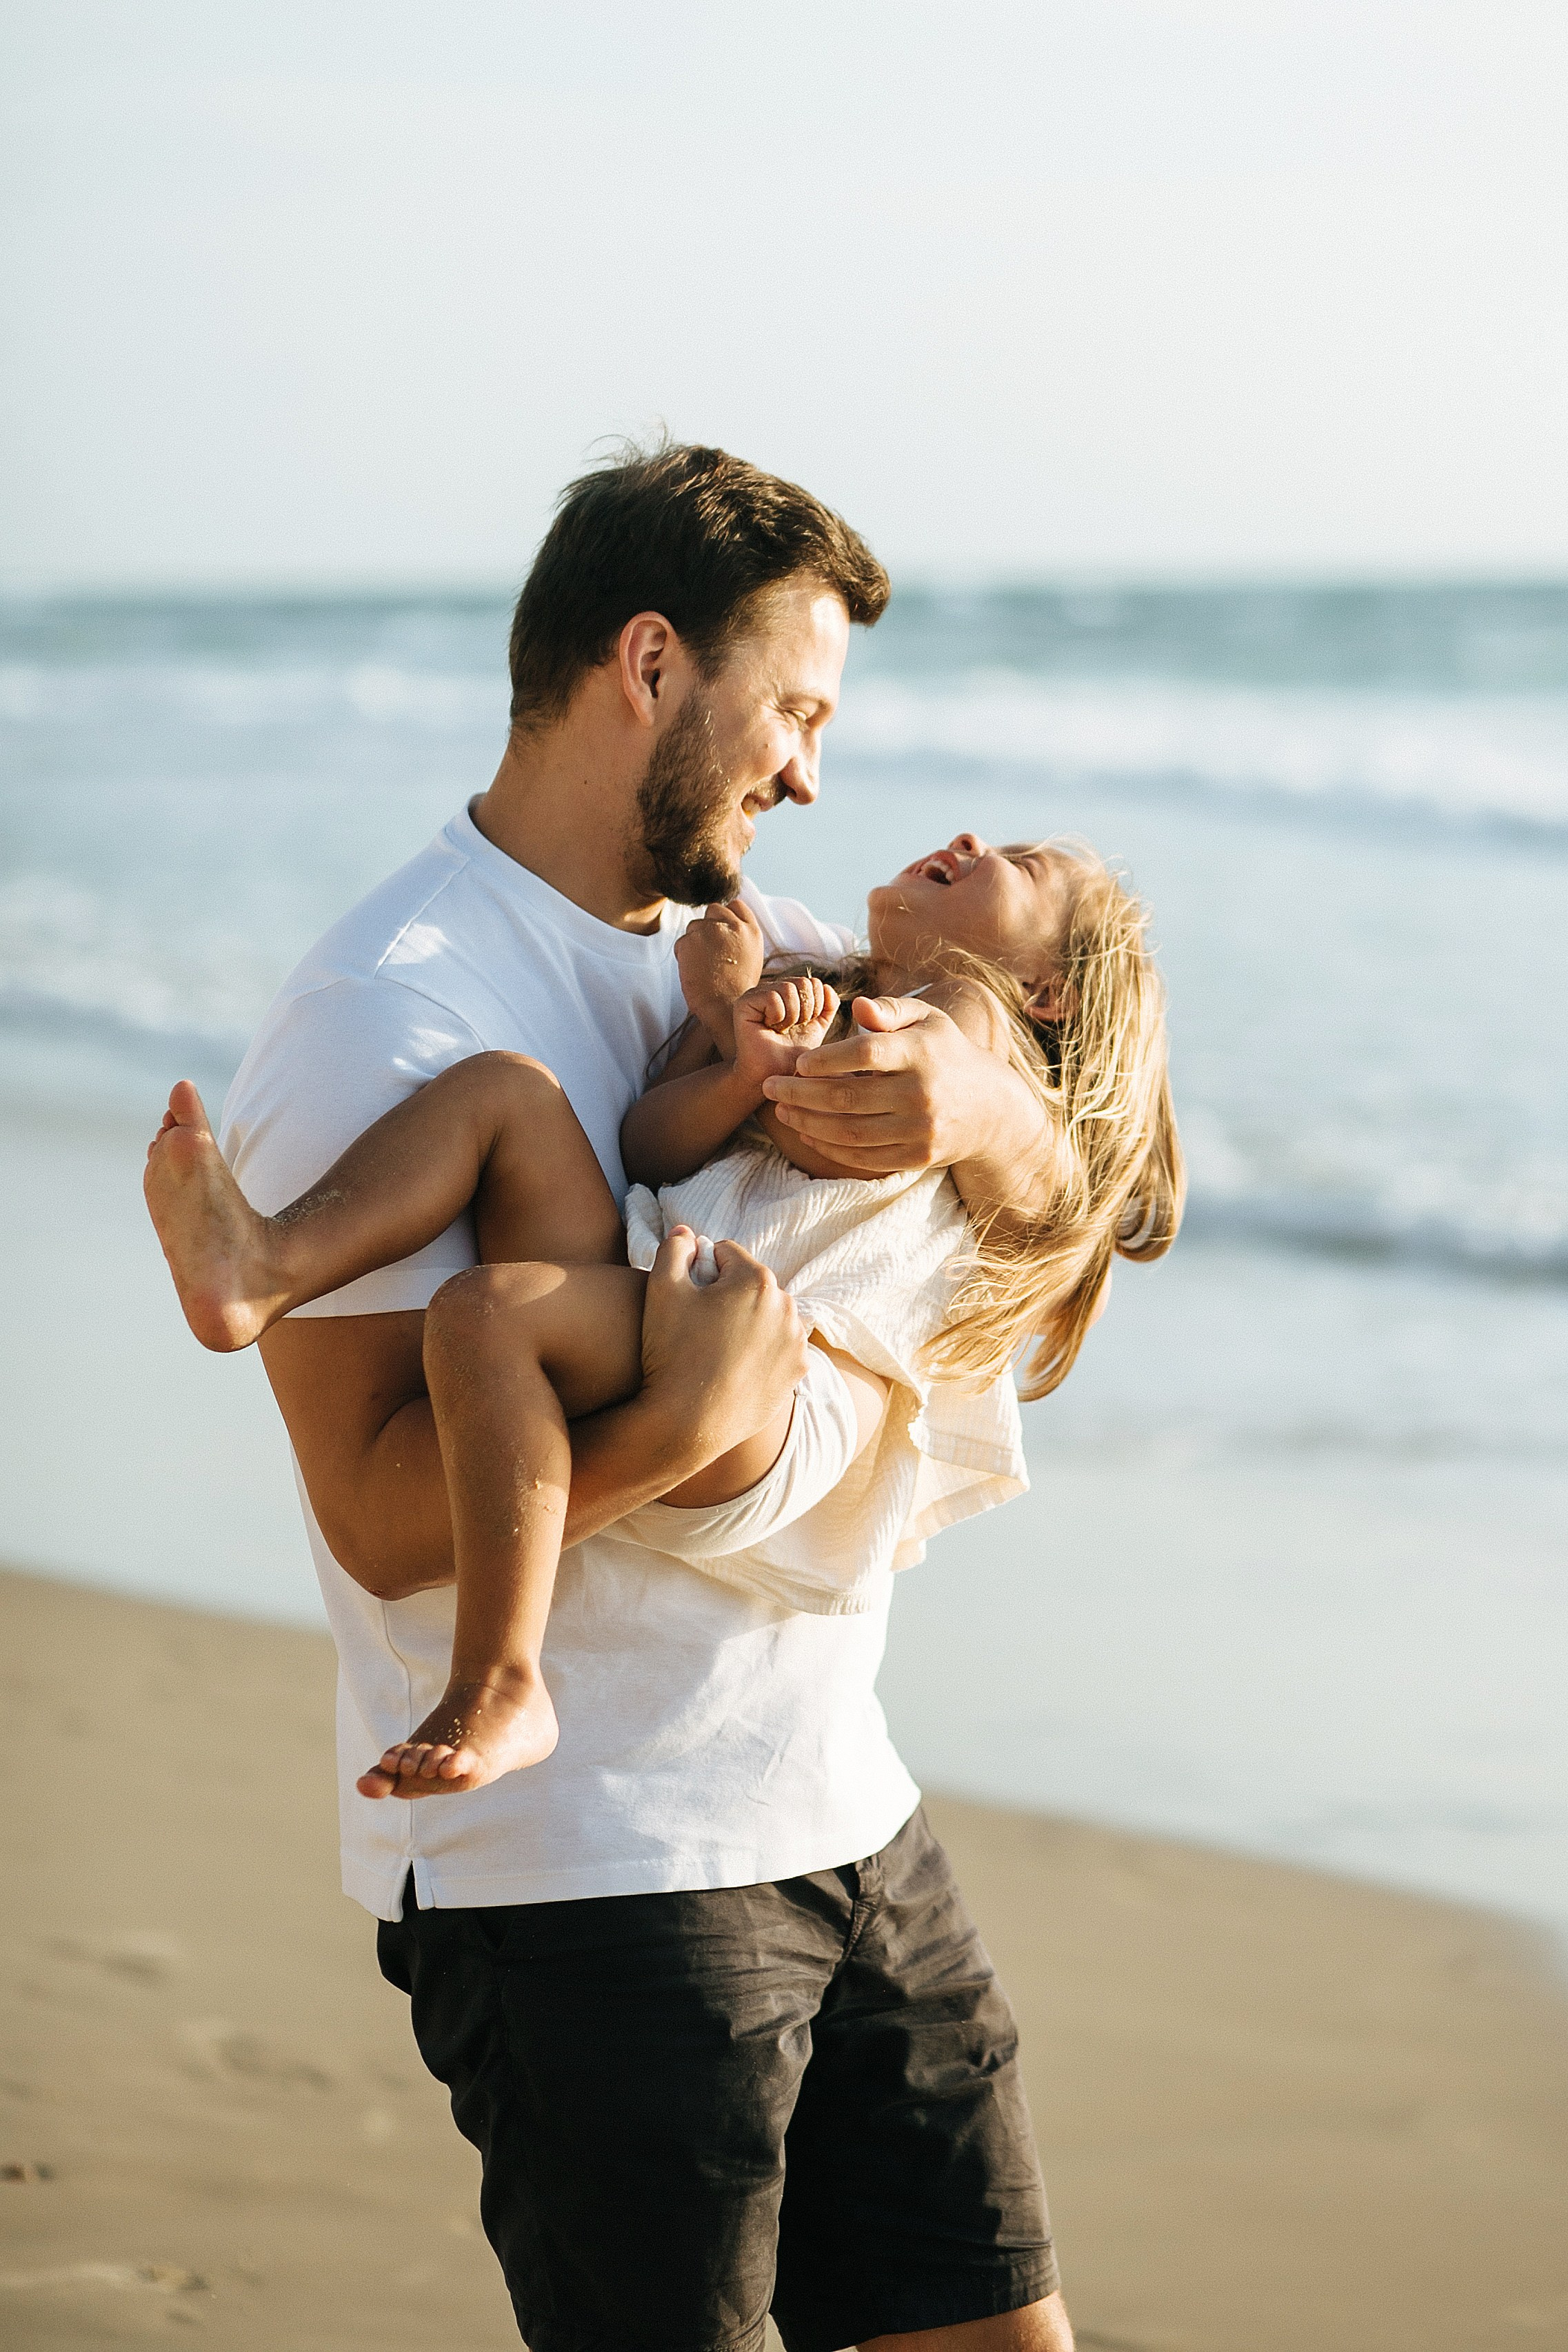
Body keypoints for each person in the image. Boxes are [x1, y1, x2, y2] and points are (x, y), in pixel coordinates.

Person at [195, 441, 1105, 2352]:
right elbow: (376, 1509)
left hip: (839, 1803)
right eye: (793, 709)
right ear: (649, 666)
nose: (808, 773)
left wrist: (998, 1101)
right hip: (600, 1873)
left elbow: (1102, 1209)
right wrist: (688, 1429)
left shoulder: (734, 951)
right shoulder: (395, 1013)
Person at [145, 838, 1179, 1807]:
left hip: (776, 1369)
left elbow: (837, 1140)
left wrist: (737, 1010)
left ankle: (502, 1676)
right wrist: (730, 1063)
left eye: (1023, 864)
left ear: (1048, 990)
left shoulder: (971, 1021)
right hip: (656, 1283)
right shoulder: (816, 967)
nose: (969, 843)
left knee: (481, 1316)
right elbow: (648, 1142)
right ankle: (268, 1264)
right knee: (507, 1094)